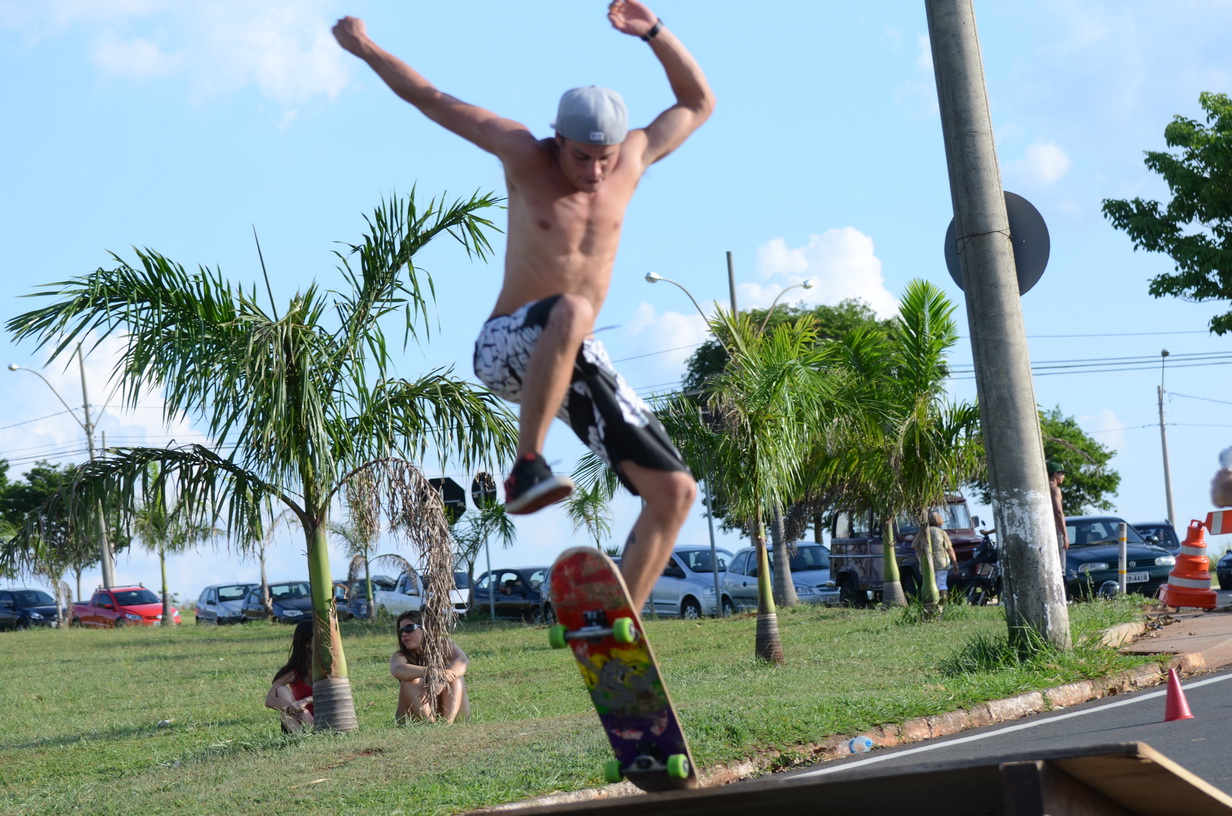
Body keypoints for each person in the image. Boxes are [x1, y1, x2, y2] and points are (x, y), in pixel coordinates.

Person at [332, 0, 713, 613]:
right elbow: (432, 98)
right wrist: (367, 48)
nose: (592, 172)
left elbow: (697, 103)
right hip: (505, 345)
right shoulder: (522, 153)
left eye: (604, 159)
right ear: (557, 139)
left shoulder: (634, 156)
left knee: (674, 491)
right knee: (572, 309)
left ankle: (622, 627)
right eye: (580, 157)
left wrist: (656, 34)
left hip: (573, 356)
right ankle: (526, 466)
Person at [391, 610, 471, 724]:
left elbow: (463, 660)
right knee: (410, 680)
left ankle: (447, 724)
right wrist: (433, 672)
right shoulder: (400, 656)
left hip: (451, 712)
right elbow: (397, 669)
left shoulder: (443, 645)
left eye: (409, 628)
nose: (404, 634)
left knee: (455, 675)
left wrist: (443, 679)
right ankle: (430, 723)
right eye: (401, 631)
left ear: (425, 628)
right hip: (414, 718)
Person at [265, 619, 314, 733]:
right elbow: (269, 700)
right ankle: (301, 739)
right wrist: (301, 710)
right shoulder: (294, 672)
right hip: (301, 721)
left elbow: (332, 694)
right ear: (307, 643)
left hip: (327, 719)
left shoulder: (328, 667)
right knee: (281, 690)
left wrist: (305, 701)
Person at [914, 510, 958, 608]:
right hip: (941, 561)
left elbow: (914, 545)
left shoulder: (923, 532)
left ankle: (929, 604)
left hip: (927, 562)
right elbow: (949, 549)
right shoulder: (941, 532)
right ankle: (942, 605)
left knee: (929, 582)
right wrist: (955, 562)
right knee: (941, 583)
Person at [1048, 462, 1068, 558]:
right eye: (1062, 474)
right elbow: (1059, 513)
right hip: (1056, 528)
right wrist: (1065, 535)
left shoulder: (1043, 488)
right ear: (1055, 473)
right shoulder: (1055, 489)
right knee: (1060, 564)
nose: (1063, 477)